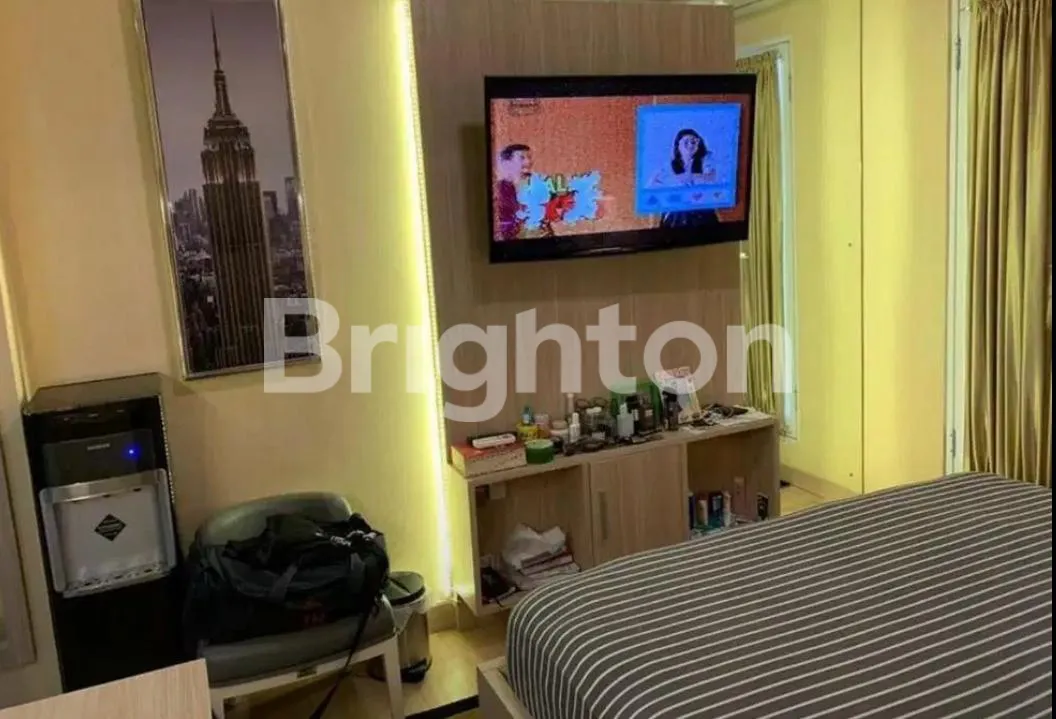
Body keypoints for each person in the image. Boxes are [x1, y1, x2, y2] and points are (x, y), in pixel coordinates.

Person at [649, 129, 720, 228]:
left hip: (702, 214)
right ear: (678, 146)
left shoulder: (706, 159)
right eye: (686, 142)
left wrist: (690, 176)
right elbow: (652, 192)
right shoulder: (667, 166)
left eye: (693, 142)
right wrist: (652, 227)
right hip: (676, 217)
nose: (690, 145)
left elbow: (712, 177)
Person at [494, 143, 533, 240]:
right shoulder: (500, 189)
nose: (528, 161)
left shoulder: (535, 183)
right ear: (507, 162)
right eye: (522, 158)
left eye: (529, 157)